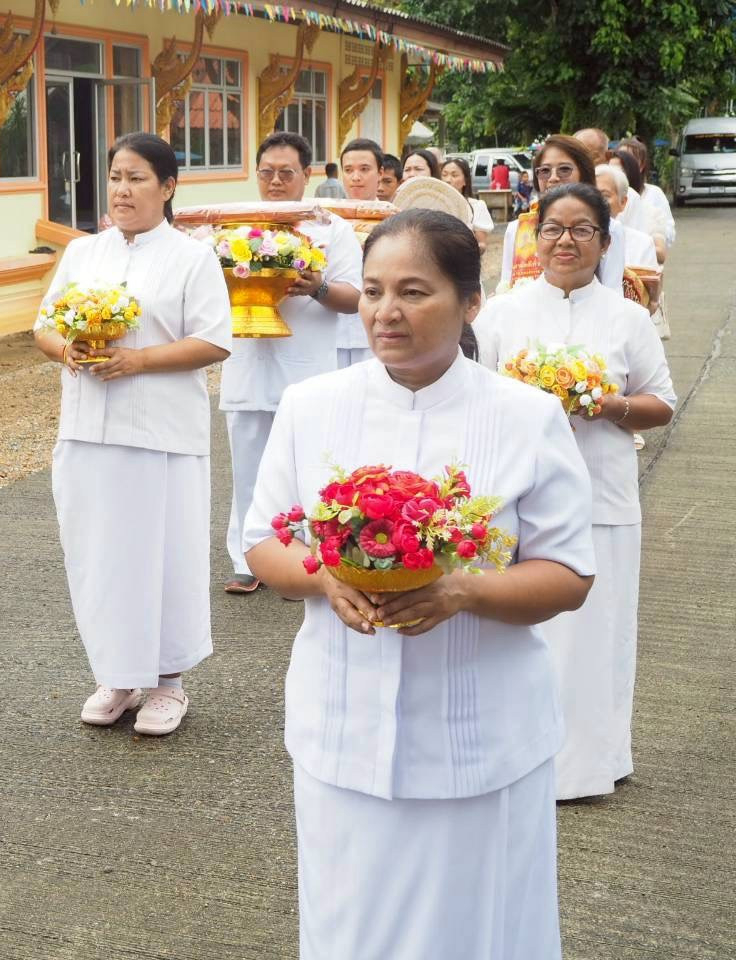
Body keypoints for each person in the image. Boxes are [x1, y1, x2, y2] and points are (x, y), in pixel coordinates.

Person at [246, 208, 596, 960]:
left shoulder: (526, 417)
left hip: (480, 738)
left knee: (475, 930)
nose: (386, 312)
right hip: (341, 727)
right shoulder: (313, 407)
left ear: (471, 302)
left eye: (413, 291)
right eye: (372, 291)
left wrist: (462, 591)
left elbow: (567, 575)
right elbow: (263, 542)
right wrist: (325, 578)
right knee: (349, 928)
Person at [476, 183, 675, 801]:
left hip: (602, 492)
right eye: (554, 228)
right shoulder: (503, 314)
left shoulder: (627, 317)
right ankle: (517, 758)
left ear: (604, 241)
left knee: (599, 630)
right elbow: (476, 400)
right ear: (535, 239)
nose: (566, 241)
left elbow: (661, 403)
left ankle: (593, 761)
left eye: (581, 230)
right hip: (519, 495)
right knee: (520, 633)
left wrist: (608, 404)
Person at [33, 132, 231, 735]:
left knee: (165, 554)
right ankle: (117, 674)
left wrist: (138, 361)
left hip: (162, 434)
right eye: (116, 175)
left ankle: (169, 682)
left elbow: (215, 339)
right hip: (89, 429)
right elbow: (42, 327)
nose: (122, 188)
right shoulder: (83, 253)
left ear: (168, 188)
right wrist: (69, 348)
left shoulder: (192, 258)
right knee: (101, 555)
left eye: (137, 177)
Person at [221, 132, 362, 595]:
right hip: (247, 363)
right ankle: (249, 557)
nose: (275, 182)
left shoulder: (330, 229)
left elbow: (355, 299)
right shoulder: (233, 226)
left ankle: (308, 556)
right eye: (267, 173)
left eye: (286, 173)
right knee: (248, 465)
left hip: (307, 367)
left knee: (310, 466)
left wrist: (317, 287)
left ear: (308, 176)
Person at [498, 134, 626, 292]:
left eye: (564, 170)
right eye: (544, 171)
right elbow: (505, 287)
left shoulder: (608, 228)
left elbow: (612, 292)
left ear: (584, 174)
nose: (553, 178)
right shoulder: (517, 229)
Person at [336, 137, 383, 368]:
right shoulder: (326, 220)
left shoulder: (394, 218)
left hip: (377, 326)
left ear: (380, 172)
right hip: (333, 328)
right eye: (348, 170)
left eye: (364, 169)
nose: (356, 177)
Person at [610, 147, 668, 261]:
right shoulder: (596, 212)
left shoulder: (651, 213)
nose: (611, 176)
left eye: (618, 171)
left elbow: (661, 254)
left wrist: (635, 246)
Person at [619, 136, 676, 247]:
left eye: (630, 160)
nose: (622, 165)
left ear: (641, 165)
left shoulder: (654, 193)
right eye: (619, 160)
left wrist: (652, 237)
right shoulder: (609, 191)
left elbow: (669, 231)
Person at [441, 156, 493, 253]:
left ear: (465, 181)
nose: (448, 180)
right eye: (444, 175)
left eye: (454, 175)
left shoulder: (476, 206)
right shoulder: (432, 205)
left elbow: (481, 244)